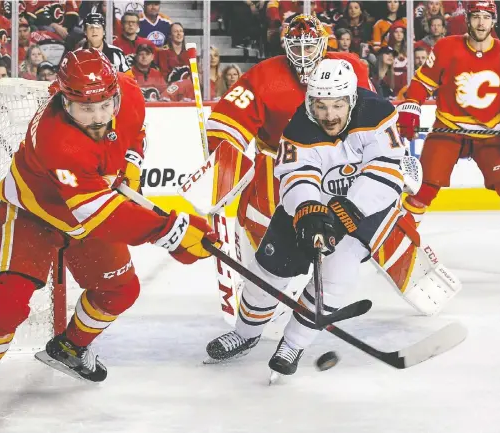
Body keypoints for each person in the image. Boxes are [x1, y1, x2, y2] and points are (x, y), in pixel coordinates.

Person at [0, 49, 218, 412]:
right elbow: (100, 215)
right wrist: (171, 232)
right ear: (64, 101)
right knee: (8, 298)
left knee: (121, 290)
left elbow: (136, 131)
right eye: (84, 109)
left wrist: (132, 165)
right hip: (35, 212)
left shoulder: (128, 91)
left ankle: (70, 347)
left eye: (104, 106)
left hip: (89, 207)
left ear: (115, 94)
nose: (97, 117)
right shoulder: (56, 138)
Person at [206, 58, 404, 376]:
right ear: (311, 101)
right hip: (314, 199)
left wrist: (346, 214)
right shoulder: (299, 124)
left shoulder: (378, 113)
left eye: (337, 105)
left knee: (337, 274)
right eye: (321, 106)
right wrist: (308, 210)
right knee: (267, 270)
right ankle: (244, 335)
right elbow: (295, 173)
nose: (329, 115)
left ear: (352, 99)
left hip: (365, 203)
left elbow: (387, 169)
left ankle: (294, 343)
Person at [205, 15, 374, 264]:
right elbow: (225, 123)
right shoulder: (263, 75)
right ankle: (259, 283)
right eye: (296, 47)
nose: (303, 55)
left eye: (309, 47)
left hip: (334, 168)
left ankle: (331, 285)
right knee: (263, 234)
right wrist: (224, 163)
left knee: (349, 232)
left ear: (323, 45)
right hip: (276, 167)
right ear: (286, 46)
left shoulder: (349, 68)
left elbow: (372, 118)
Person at [379, 0, 500, 289]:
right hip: (449, 128)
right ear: (467, 20)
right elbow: (422, 83)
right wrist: (410, 106)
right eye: (476, 17)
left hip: (490, 135)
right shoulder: (446, 47)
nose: (481, 23)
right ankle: (396, 246)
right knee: (425, 188)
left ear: (493, 21)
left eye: (487, 18)